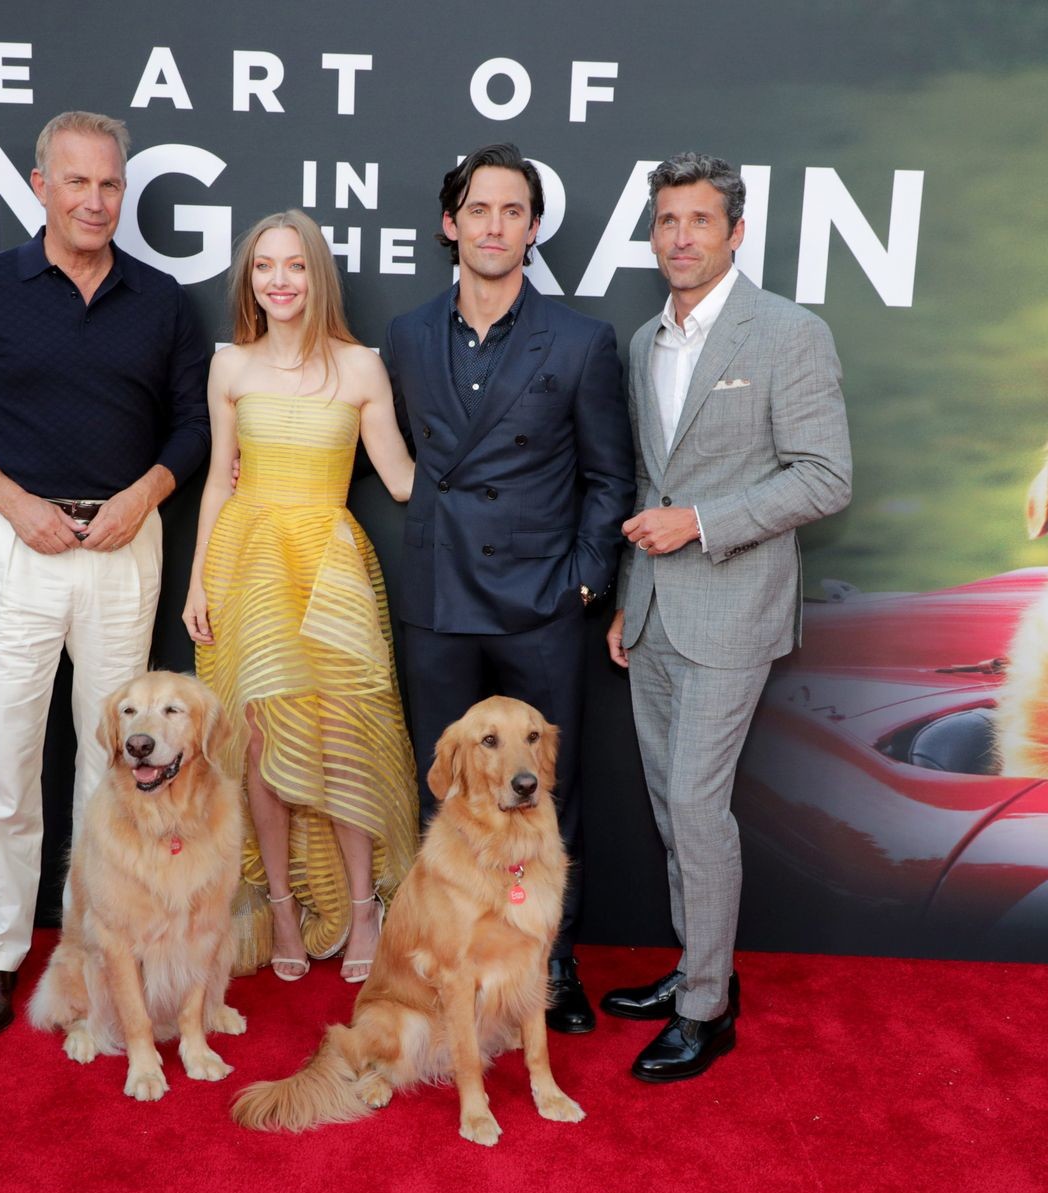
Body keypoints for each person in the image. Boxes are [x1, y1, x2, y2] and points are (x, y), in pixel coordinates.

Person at [0, 111, 211, 1035]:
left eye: (110, 183)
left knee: (119, 763)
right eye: (77, 182)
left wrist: (146, 494)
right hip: (19, 543)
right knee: (7, 757)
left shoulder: (162, 301)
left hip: (125, 544)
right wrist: (14, 502)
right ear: (41, 186)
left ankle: (95, 950)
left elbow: (194, 428)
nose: (95, 200)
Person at [602, 152, 852, 1081]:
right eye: (667, 220)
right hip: (654, 612)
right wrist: (628, 598)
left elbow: (825, 477)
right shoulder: (644, 342)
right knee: (672, 805)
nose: (680, 237)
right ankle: (694, 968)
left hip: (735, 609)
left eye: (699, 220)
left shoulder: (788, 333)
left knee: (697, 808)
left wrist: (703, 523)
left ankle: (707, 1009)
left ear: (736, 232)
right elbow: (648, 480)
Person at [383, 143, 634, 1033]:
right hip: (440, 599)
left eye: (513, 212)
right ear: (450, 223)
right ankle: (451, 958)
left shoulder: (579, 341)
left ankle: (551, 962)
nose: (494, 227)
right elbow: (403, 456)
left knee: (545, 791)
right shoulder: (407, 336)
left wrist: (582, 585)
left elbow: (610, 478)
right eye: (479, 210)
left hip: (540, 604)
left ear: (532, 229)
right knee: (449, 788)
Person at [184, 210, 419, 984]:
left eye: (294, 266)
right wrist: (197, 580)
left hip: (328, 568)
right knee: (259, 743)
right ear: (249, 279)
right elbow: (218, 481)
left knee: (343, 737)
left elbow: (402, 480)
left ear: (318, 276)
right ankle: (282, 906)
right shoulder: (230, 366)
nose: (279, 281)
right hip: (247, 565)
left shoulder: (360, 368)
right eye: (264, 267)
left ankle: (363, 907)